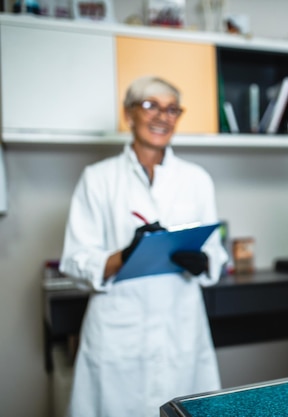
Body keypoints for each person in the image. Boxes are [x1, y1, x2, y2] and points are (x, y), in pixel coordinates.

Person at [60, 76, 228, 417]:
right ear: (128, 114)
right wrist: (127, 253)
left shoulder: (196, 179)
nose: (162, 116)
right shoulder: (98, 178)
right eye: (150, 105)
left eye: (172, 109)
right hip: (118, 334)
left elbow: (215, 254)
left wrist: (203, 261)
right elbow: (76, 260)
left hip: (180, 327)